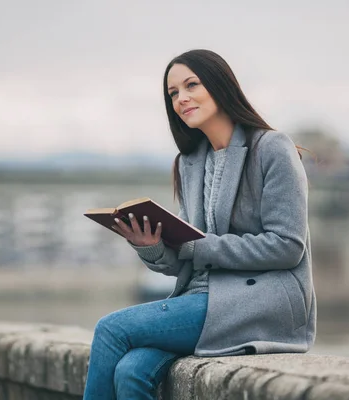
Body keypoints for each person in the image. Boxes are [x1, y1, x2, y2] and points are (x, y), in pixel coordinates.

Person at [83, 49, 316, 399]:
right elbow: (188, 256)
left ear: (221, 86)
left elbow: (287, 245)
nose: (182, 98)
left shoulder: (272, 148)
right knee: (131, 370)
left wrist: (196, 245)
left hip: (260, 303)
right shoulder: (189, 162)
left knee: (111, 329)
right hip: (201, 298)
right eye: (173, 93)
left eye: (192, 85)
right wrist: (151, 247)